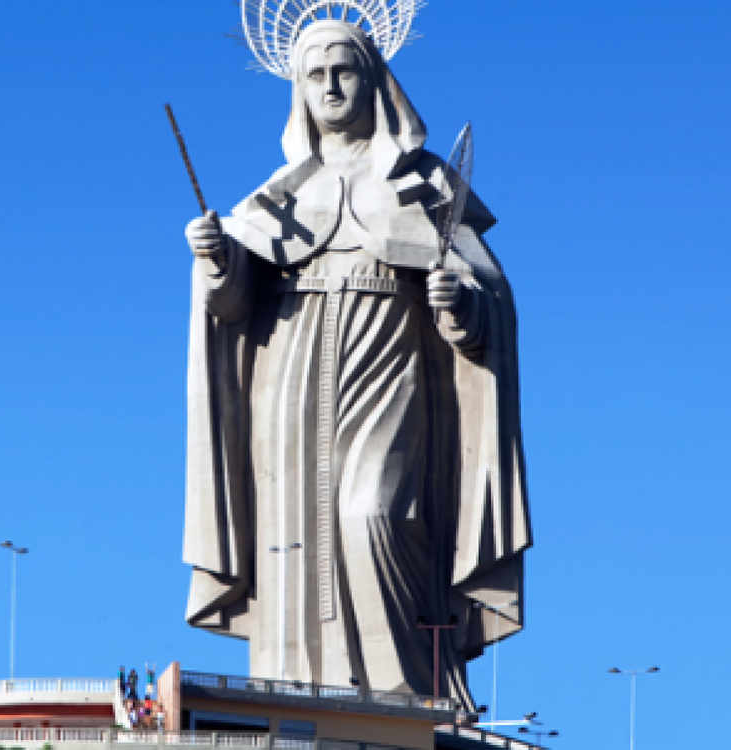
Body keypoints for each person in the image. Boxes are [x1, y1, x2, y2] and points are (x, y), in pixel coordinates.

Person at [183, 19, 529, 705]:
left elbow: (488, 294)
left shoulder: (424, 182)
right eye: (316, 76)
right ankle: (297, 691)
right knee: (294, 533)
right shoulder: (276, 197)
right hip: (290, 371)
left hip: (392, 361)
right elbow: (230, 308)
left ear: (375, 80)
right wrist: (217, 264)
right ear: (299, 93)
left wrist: (459, 300)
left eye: (345, 71)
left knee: (374, 513)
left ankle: (406, 689)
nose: (332, 86)